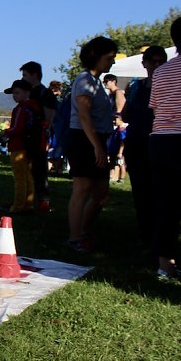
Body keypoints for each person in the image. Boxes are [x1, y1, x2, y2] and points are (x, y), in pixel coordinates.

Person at [64, 37, 118, 252]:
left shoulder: (97, 82)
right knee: (83, 187)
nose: (112, 62)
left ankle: (84, 231)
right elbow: (84, 116)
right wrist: (96, 146)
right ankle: (74, 237)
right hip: (83, 139)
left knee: (101, 193)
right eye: (109, 58)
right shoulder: (85, 80)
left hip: (98, 139)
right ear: (96, 56)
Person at [148, 18, 181, 281]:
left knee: (165, 204)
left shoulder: (161, 72)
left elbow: (156, 107)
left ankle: (164, 264)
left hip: (161, 141)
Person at [122, 45, 168, 247]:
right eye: (153, 61)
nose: (157, 65)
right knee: (140, 189)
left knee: (161, 190)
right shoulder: (136, 87)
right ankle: (144, 231)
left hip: (159, 142)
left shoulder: (170, 84)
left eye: (161, 61)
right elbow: (126, 113)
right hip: (136, 142)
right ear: (144, 64)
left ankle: (159, 232)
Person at [20, 61, 57, 212]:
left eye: (25, 75)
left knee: (39, 169)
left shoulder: (44, 93)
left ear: (34, 75)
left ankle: (43, 201)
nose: (23, 78)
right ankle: (25, 199)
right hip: (26, 136)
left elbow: (50, 116)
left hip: (39, 137)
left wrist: (46, 134)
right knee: (25, 168)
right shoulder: (26, 92)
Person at [2, 80, 42, 213]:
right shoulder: (35, 107)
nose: (14, 96)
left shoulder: (20, 108)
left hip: (18, 146)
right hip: (30, 146)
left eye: (17, 92)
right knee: (28, 177)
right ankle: (28, 203)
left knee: (19, 178)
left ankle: (18, 205)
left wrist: (6, 131)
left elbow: (17, 129)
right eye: (13, 93)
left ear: (27, 92)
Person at [107, 115, 126, 184]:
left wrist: (120, 152)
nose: (114, 121)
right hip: (113, 150)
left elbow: (122, 142)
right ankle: (111, 177)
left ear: (120, 120)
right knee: (113, 164)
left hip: (119, 151)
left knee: (121, 164)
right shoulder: (116, 130)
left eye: (116, 120)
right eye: (113, 120)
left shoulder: (122, 130)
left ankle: (122, 179)